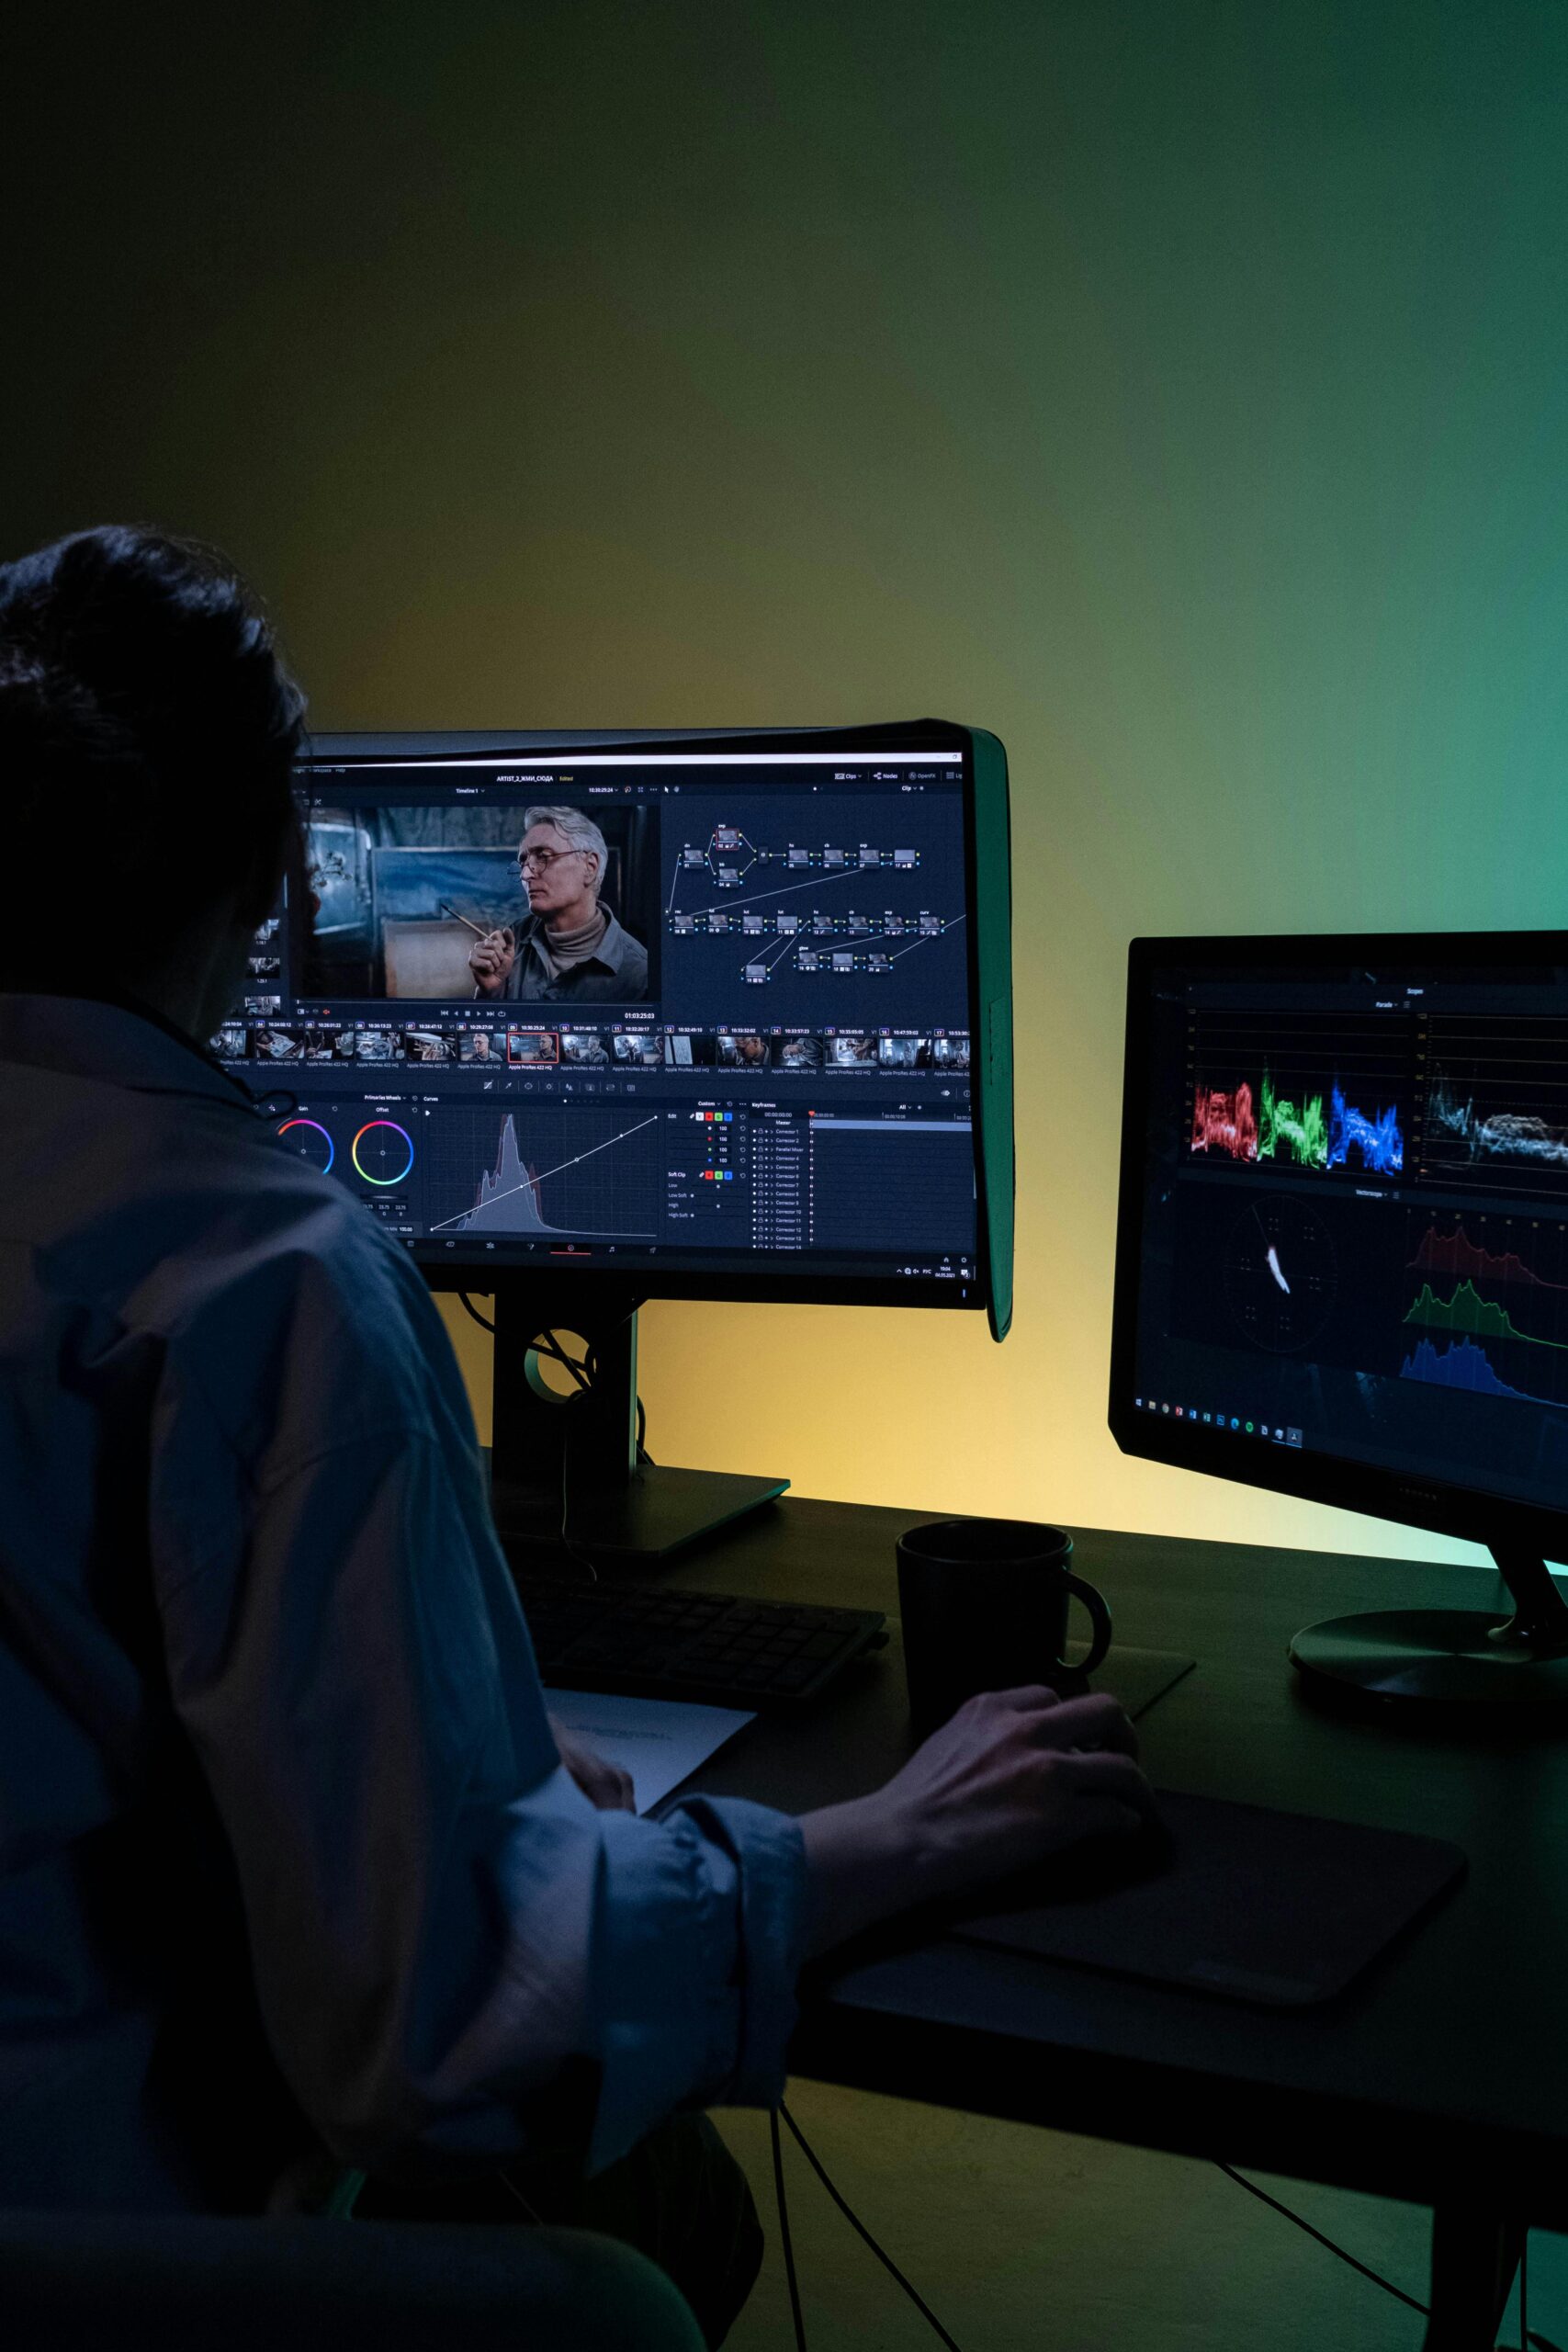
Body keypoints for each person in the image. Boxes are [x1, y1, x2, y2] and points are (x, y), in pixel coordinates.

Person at [0, 527, 1153, 2345]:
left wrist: (434, 1728)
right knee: (641, 2238)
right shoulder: (260, 1270)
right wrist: (894, 1833)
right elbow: (446, 2026)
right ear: (259, 878)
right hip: (103, 2249)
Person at [469, 806, 649, 1003]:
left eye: (544, 857)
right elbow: (488, 1032)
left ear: (589, 867)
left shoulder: (639, 973)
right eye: (523, 862)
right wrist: (490, 993)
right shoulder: (513, 939)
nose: (525, 874)